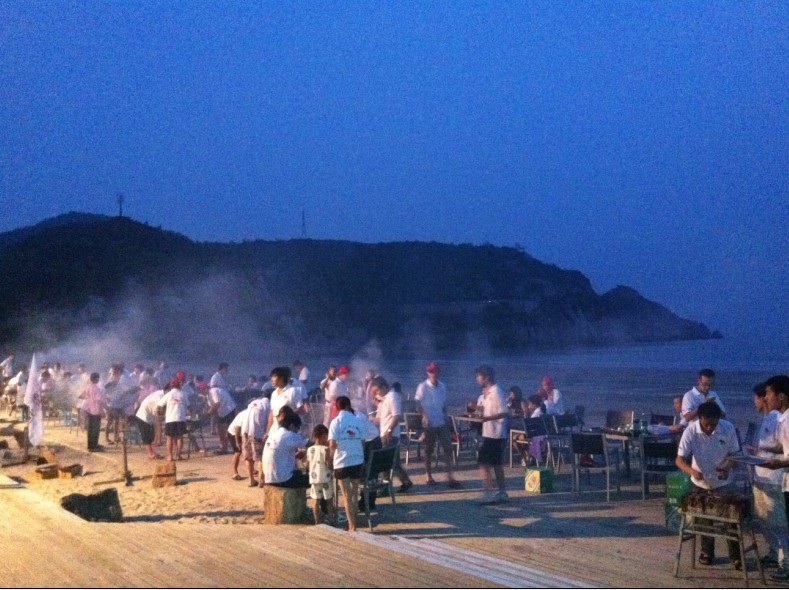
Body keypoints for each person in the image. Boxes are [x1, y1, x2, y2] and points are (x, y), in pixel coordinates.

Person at [675, 401, 741, 569]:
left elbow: (735, 455)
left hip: (723, 481)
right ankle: (707, 552)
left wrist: (726, 467)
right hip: (700, 482)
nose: (710, 427)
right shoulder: (690, 431)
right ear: (700, 418)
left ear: (718, 419)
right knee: (704, 519)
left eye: (714, 424)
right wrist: (691, 471)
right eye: (707, 424)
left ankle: (736, 556)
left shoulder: (728, 427)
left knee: (730, 520)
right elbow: (679, 460)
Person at [748, 381, 787, 572]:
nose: (754, 402)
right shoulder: (766, 418)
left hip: (774, 477)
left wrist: (763, 449)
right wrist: (757, 451)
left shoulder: (777, 418)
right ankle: (773, 553)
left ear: (763, 398)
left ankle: (784, 562)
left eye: (756, 398)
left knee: (778, 521)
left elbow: (782, 447)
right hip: (760, 475)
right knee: (763, 518)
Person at [759, 375, 789, 581]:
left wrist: (777, 463)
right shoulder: (782, 419)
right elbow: (784, 447)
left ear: (782, 396)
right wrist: (764, 450)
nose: (766, 398)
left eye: (769, 393)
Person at [414, 362, 460, 489]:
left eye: (435, 371)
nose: (433, 374)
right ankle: (428, 476)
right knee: (429, 450)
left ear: (438, 372)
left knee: (448, 449)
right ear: (428, 373)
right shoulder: (422, 386)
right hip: (429, 423)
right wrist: (424, 415)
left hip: (441, 421)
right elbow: (417, 404)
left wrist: (446, 416)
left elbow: (444, 404)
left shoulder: (442, 386)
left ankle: (450, 477)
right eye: (431, 372)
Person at [370, 376, 413, 493]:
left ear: (383, 387)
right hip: (386, 433)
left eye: (377, 391)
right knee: (394, 462)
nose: (377, 394)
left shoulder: (392, 396)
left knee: (385, 462)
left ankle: (385, 488)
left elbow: (396, 416)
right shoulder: (386, 398)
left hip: (390, 435)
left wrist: (389, 431)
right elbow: (384, 416)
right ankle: (406, 482)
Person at [328, 396, 365, 532]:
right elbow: (362, 442)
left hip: (342, 462)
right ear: (349, 405)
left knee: (346, 495)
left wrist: (330, 458)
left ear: (337, 408)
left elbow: (332, 444)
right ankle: (354, 523)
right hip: (357, 461)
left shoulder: (335, 422)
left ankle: (352, 526)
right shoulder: (358, 420)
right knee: (354, 493)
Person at [475, 365, 508, 504]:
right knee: (496, 464)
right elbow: (488, 409)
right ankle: (502, 492)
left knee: (484, 462)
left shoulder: (496, 391)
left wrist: (487, 418)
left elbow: (504, 412)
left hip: (496, 434)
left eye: (479, 376)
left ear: (486, 377)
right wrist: (476, 408)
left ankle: (488, 493)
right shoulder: (488, 392)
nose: (477, 379)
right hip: (490, 433)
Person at [262, 408, 309, 488]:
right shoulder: (289, 435)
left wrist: (295, 456)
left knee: (298, 473)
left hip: (268, 478)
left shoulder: (273, 435)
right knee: (313, 478)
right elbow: (311, 443)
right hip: (283, 479)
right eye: (297, 429)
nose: (297, 432)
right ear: (292, 426)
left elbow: (278, 455)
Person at [308, 423, 335, 525]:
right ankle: (331, 520)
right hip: (326, 478)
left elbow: (308, 464)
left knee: (316, 500)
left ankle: (317, 521)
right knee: (329, 500)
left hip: (314, 478)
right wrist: (332, 468)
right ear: (323, 436)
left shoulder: (310, 449)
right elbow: (328, 463)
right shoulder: (325, 449)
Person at [267, 366, 307, 434]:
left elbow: (302, 409)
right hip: (274, 430)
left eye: (274, 377)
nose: (272, 380)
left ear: (281, 378)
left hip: (289, 430)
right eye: (271, 377)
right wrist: (267, 431)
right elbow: (272, 413)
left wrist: (286, 416)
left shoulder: (293, 391)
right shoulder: (274, 394)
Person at [158, 375, 188, 462]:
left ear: (171, 387)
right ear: (179, 386)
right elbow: (189, 406)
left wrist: (160, 413)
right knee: (179, 437)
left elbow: (159, 405)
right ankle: (178, 455)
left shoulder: (168, 394)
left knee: (169, 438)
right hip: (181, 418)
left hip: (170, 418)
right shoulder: (183, 394)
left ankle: (170, 456)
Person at [209, 362, 237, 454]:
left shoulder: (221, 378)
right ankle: (223, 447)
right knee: (221, 428)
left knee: (229, 428)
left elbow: (216, 404)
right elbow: (215, 402)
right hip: (223, 406)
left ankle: (233, 447)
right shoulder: (215, 377)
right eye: (226, 368)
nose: (227, 370)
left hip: (228, 407)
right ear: (222, 368)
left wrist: (209, 413)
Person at [134, 386, 165, 460]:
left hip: (149, 416)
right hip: (143, 416)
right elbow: (158, 412)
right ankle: (150, 454)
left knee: (151, 436)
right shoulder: (159, 397)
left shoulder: (161, 395)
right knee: (146, 436)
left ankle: (152, 452)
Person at [79, 372, 105, 452]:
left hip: (88, 410)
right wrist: (102, 410)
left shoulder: (88, 386)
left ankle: (92, 445)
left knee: (90, 429)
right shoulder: (96, 389)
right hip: (95, 411)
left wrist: (89, 398)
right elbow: (99, 401)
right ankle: (93, 447)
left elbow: (81, 396)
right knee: (95, 429)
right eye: (98, 378)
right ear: (96, 379)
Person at [227, 408, 248, 482]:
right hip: (233, 433)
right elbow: (237, 429)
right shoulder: (244, 415)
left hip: (243, 433)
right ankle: (235, 472)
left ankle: (251, 469)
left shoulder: (253, 413)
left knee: (248, 450)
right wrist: (237, 442)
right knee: (238, 451)